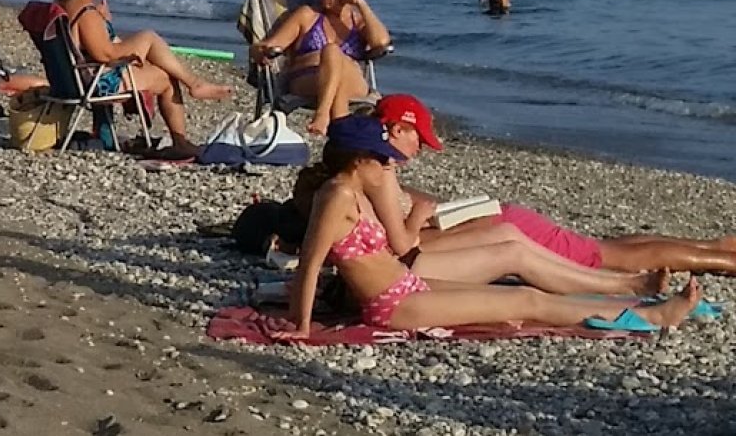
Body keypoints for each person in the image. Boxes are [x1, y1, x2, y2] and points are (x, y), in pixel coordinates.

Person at [271, 116, 699, 338]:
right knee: (525, 305)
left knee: (526, 295)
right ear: (357, 160)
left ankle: (637, 302)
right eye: (381, 159)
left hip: (406, 288)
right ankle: (654, 315)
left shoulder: (354, 189)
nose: (389, 164)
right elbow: (309, 265)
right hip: (393, 306)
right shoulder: (337, 197)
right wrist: (302, 325)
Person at [362, 94, 736, 275]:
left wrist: (422, 219)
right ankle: (714, 246)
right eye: (418, 139)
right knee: (598, 249)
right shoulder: (384, 171)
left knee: (609, 258)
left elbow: (407, 239)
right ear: (397, 129)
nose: (420, 148)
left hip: (496, 224)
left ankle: (718, 260)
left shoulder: (376, 172)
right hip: (494, 217)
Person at [52, 0, 232, 158]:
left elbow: (88, 47)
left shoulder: (61, 8)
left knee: (147, 48)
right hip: (96, 82)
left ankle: (193, 83)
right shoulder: (85, 13)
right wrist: (121, 37)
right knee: (163, 72)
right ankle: (181, 137)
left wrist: (103, 24)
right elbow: (105, 54)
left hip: (70, 79)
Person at [250, 0, 390, 134]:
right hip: (308, 79)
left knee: (332, 53)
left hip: (350, 81)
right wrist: (258, 50)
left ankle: (324, 116)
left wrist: (360, 3)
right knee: (331, 51)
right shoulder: (307, 15)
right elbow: (269, 45)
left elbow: (381, 41)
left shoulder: (358, 21)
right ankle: (336, 126)